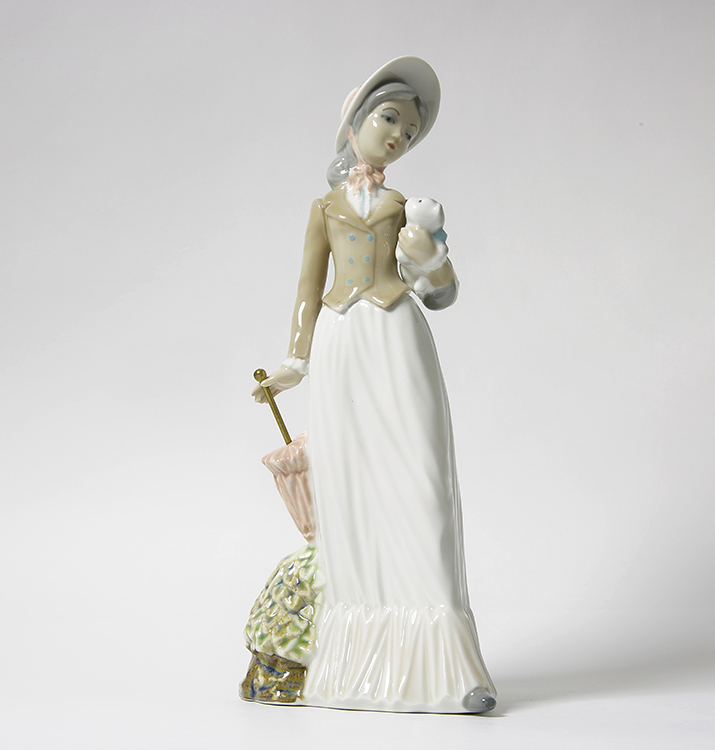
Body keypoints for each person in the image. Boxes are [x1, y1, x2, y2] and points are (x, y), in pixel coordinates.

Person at [251, 57, 496, 713]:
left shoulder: (407, 210)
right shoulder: (323, 208)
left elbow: (441, 294)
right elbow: (308, 287)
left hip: (395, 339)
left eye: (409, 132)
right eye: (390, 119)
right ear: (354, 122)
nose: (397, 137)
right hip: (340, 346)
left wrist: (431, 258)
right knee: (351, 492)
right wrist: (294, 361)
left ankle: (447, 667)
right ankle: (352, 667)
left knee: (421, 485)